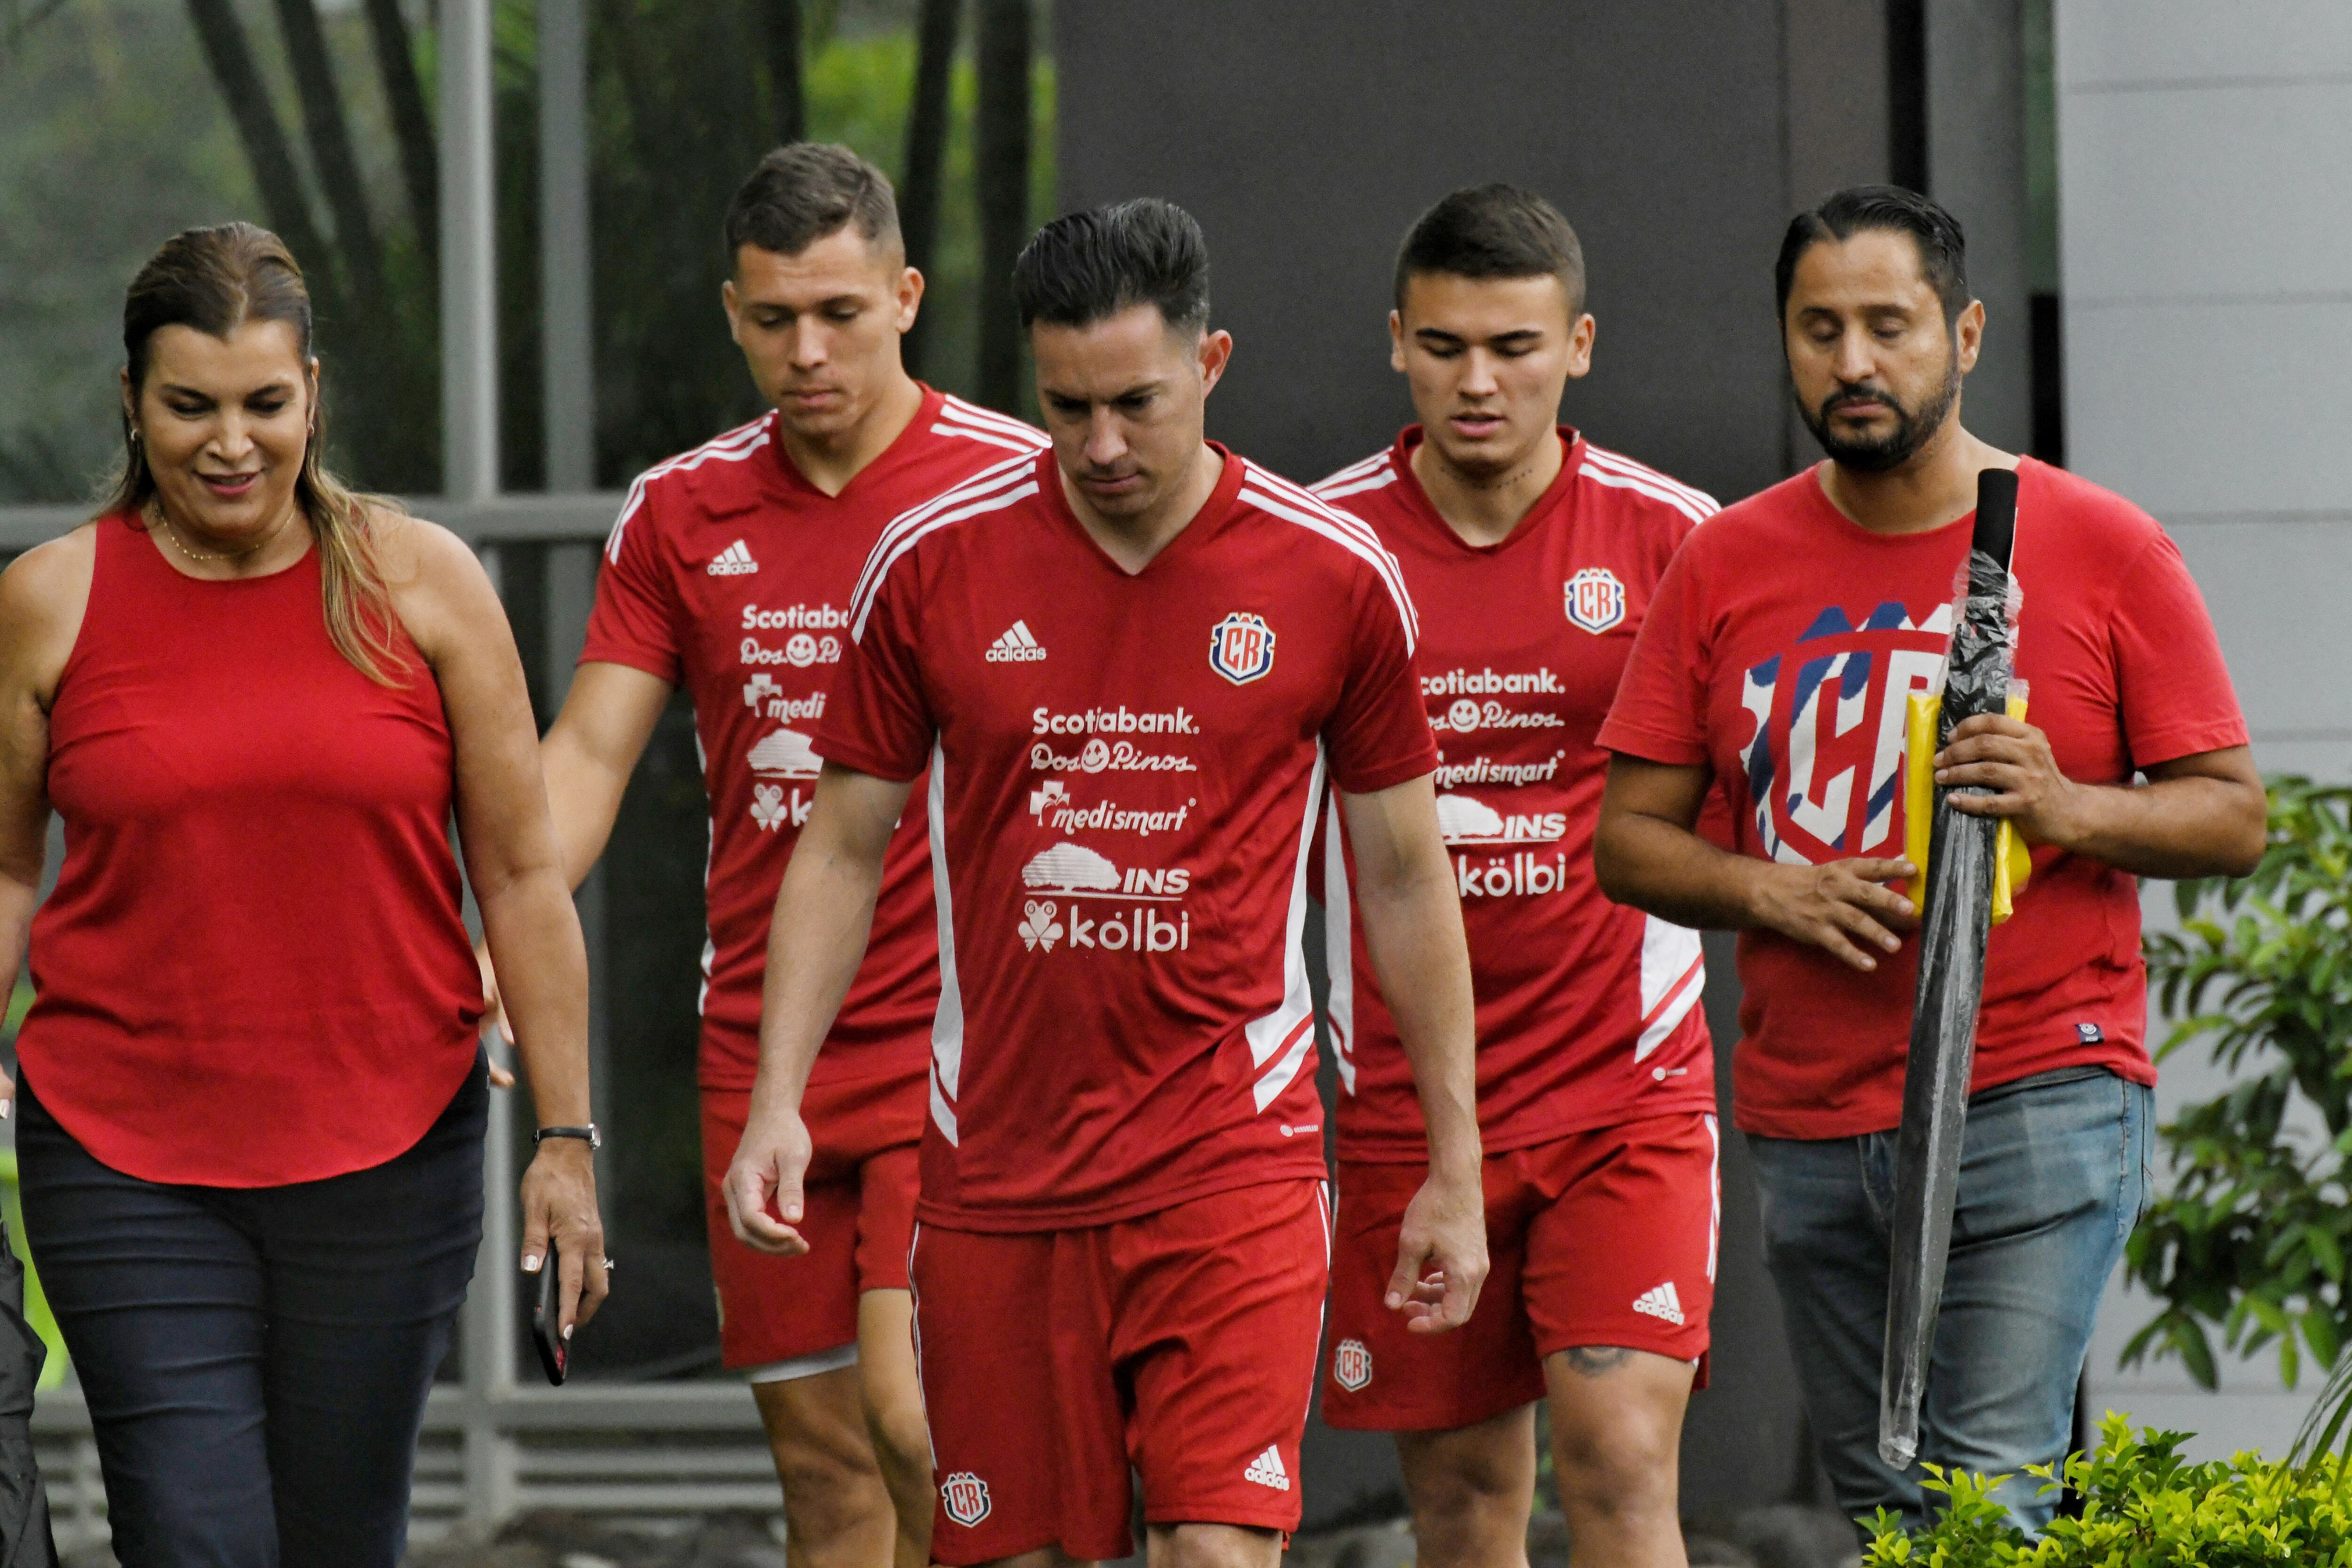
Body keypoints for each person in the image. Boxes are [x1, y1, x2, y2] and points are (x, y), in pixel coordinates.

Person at [724, 198, 1489, 1568]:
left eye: (1137, 403)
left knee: (1215, 1549)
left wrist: (1454, 1163)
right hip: (998, 1169)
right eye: (1067, 407)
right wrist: (777, 1094)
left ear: (1211, 363)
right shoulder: (935, 561)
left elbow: (1401, 874)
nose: (1102, 446)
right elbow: (840, 845)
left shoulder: (1331, 572)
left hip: (1231, 1160)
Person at [1593, 185, 2265, 1535]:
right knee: (1891, 1515)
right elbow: (1627, 839)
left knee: (1986, 1499)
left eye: (1888, 326)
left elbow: (2231, 816)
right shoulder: (1724, 562)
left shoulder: (2103, 545)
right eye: (1819, 329)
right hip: (1811, 1118)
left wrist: (2067, 807)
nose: (1853, 362)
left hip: (2038, 1089)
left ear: (1964, 334)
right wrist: (1764, 888)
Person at [0, 222, 607, 1568]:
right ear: (131, 400)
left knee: (341, 1538)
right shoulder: (50, 601)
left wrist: (567, 1141)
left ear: (313, 395)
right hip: (121, 1157)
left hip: (391, 1153)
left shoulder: (428, 583)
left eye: (264, 403)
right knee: (191, 1536)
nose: (232, 443)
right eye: (190, 406)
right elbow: (4, 868)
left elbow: (520, 873)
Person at [483, 143, 1041, 1568]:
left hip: (962, 1040)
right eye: (775, 319)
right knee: (828, 1472)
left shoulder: (1019, 488)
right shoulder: (682, 509)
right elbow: (588, 756)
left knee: (922, 1425)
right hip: (762, 1042)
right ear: (733, 314)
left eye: (841, 314)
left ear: (905, 298)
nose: (808, 353)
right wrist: (500, 936)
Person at [1311, 183, 1718, 1568]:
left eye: (1514, 347)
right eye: (1443, 347)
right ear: (1396, 343)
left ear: (1580, 345)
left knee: (1621, 1462)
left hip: (1624, 1090)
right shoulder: (1319, 550)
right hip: (1407, 1103)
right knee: (1466, 1503)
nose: (1477, 382)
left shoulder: (1680, 539)